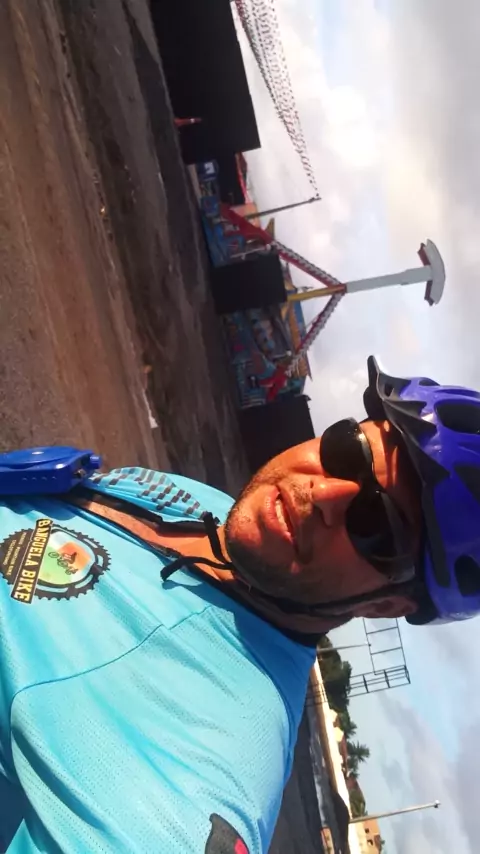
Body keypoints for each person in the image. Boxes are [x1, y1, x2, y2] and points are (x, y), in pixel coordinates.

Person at [0, 355, 479, 853]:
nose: (323, 493)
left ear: (384, 606)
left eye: (375, 522)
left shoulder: (211, 747)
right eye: (348, 449)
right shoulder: (217, 513)